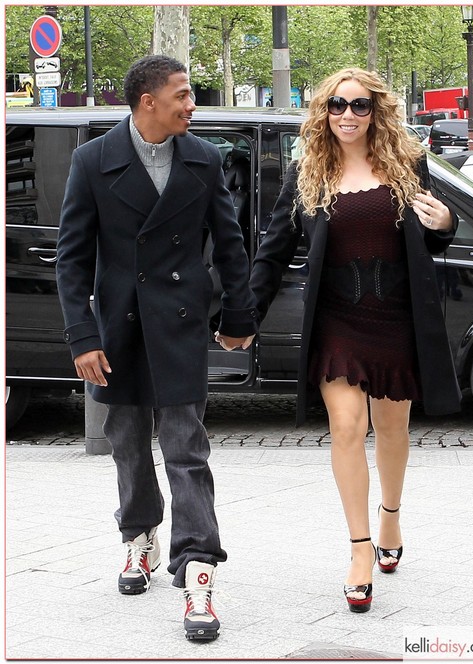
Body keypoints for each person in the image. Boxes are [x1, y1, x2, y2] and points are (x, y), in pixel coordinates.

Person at [56, 54, 257, 641]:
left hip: (179, 322)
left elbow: (229, 243)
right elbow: (73, 258)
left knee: (186, 447)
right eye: (184, 94)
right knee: (125, 443)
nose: (192, 104)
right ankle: (138, 536)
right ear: (149, 100)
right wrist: (82, 336)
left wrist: (238, 315)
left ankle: (197, 569)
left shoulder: (204, 158)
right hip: (116, 328)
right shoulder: (93, 161)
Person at [248, 68, 461, 614]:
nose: (347, 115)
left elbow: (430, 234)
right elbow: (272, 252)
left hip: (395, 317)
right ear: (323, 112)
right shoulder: (306, 174)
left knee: (392, 426)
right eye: (337, 105)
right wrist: (243, 315)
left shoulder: (406, 166)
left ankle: (391, 514)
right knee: (347, 426)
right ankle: (360, 550)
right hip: (337, 319)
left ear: (376, 111)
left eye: (359, 105)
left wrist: (446, 225)